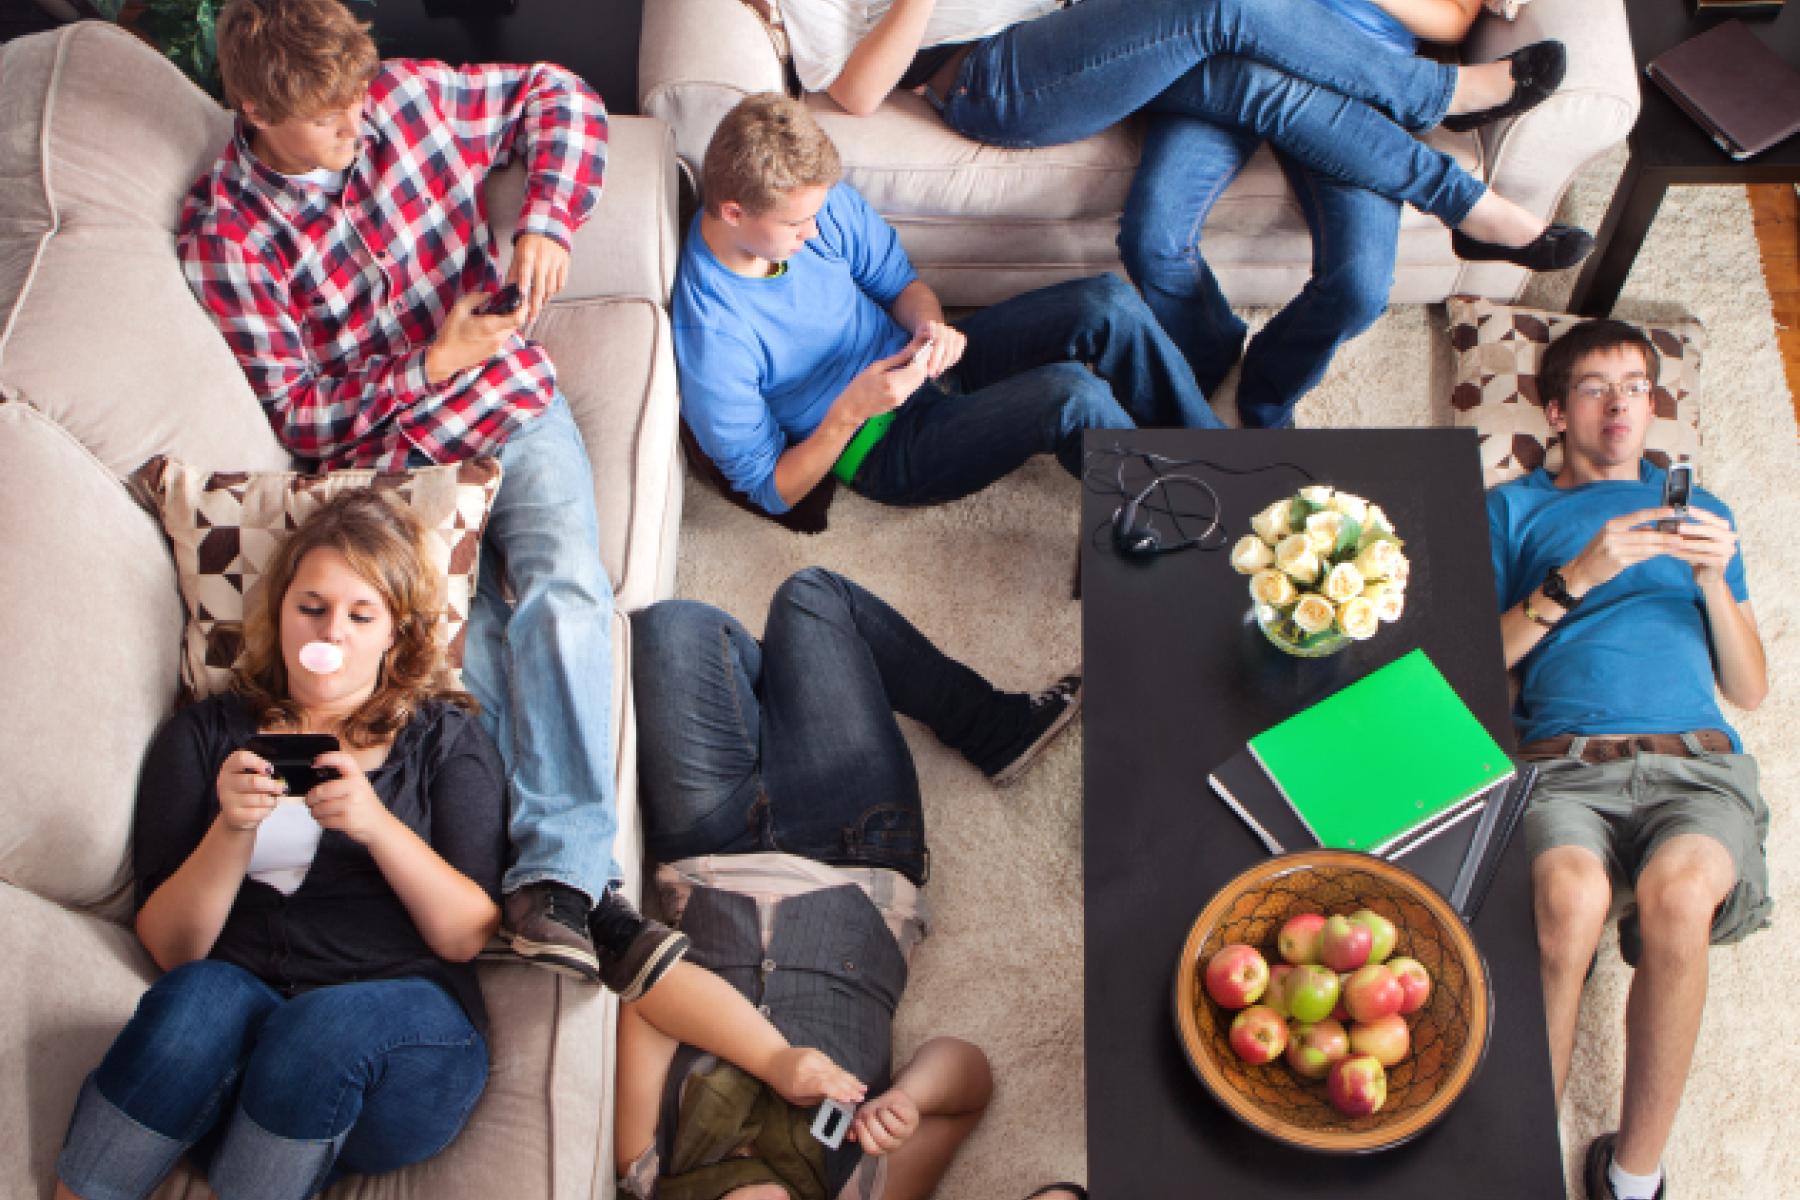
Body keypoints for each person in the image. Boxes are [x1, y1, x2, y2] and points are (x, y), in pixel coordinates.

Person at [178, 0, 686, 994]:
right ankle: (586, 900)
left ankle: (558, 881)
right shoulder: (226, 235)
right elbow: (303, 416)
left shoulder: (406, 100)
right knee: (467, 651)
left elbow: (560, 96)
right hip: (391, 464)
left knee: (562, 589)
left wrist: (546, 217)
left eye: (355, 97)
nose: (354, 124)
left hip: (511, 408)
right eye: (326, 117)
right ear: (252, 108)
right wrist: (425, 366)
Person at [52, 491, 506, 1199]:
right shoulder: (204, 738)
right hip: (238, 1056)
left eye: (362, 615)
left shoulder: (444, 742)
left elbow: (467, 935)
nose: (333, 631)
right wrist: (232, 830)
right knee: (198, 996)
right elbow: (173, 952)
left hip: (398, 1044)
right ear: (280, 609)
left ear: (395, 633)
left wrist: (375, 825)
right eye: (312, 607)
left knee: (318, 1032)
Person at [613, 567, 1083, 1198]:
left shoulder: (648, 1166)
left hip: (709, 851)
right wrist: (912, 1100)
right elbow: (970, 1083)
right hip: (855, 851)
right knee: (811, 601)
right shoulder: (860, 1188)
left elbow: (647, 996)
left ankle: (778, 700)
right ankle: (996, 730)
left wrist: (773, 1062)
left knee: (671, 630)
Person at [1485, 320, 1772, 1200]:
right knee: (1569, 904)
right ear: (1556, 409)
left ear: (1654, 405)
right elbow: (1475, 663)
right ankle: (1519, 1163)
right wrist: (1580, 573)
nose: (1621, 403)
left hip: (1695, 763)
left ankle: (1635, 1176)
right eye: (1597, 387)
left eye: (1637, 386)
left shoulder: (1704, 511)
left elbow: (1751, 689)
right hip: (1563, 761)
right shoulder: (1514, 509)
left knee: (1680, 898)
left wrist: (1713, 584)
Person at [675, 93, 1222, 520]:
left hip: (924, 361)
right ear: (733, 212)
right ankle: (1185, 524)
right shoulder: (713, 334)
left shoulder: (815, 201)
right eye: (797, 224)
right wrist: (852, 408)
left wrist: (931, 327)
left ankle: (1224, 471)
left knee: (1108, 301)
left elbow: (899, 285)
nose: (814, 231)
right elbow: (773, 489)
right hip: (882, 445)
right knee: (1071, 397)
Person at [777, 0, 1592, 271]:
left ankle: (1467, 208)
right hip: (994, 80)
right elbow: (854, 89)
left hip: (1081, 31)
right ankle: (1437, 91)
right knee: (1224, 6)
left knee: (1250, 79)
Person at [1120, 0, 1491, 430]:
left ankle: (1267, 386)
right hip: (1245, 48)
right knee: (1150, 240)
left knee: (1360, 290)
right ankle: (1207, 351)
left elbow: (1458, 20)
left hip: (1357, 76)